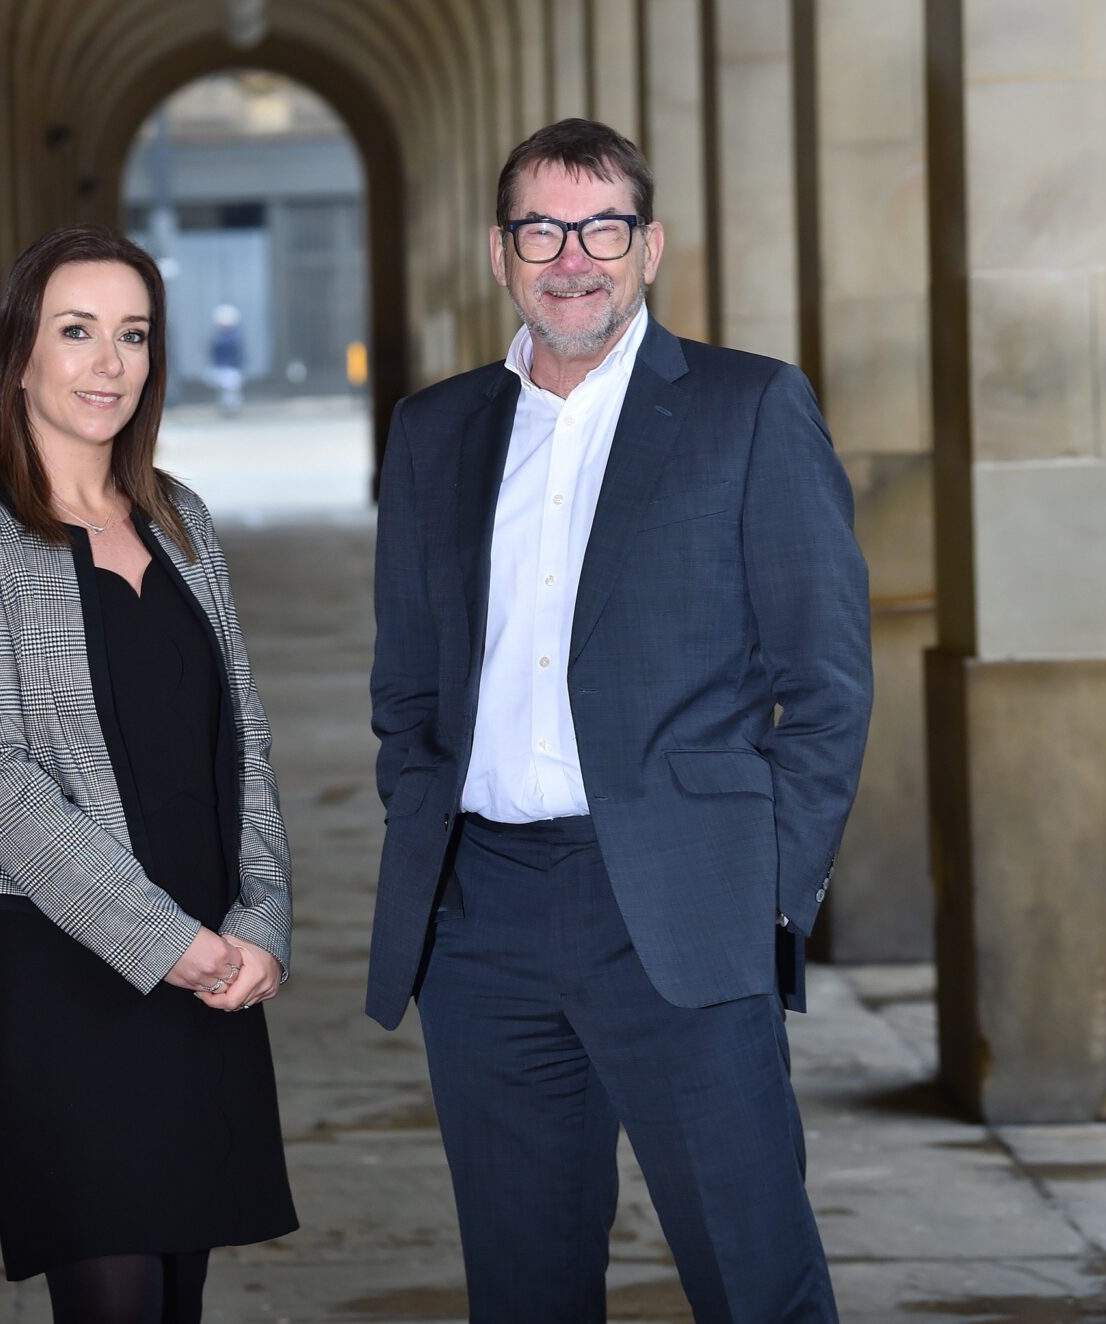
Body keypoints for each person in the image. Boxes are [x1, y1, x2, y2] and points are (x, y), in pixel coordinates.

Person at [366, 118, 871, 1321]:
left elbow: (827, 682)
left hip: (684, 914)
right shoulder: (435, 432)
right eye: (542, 229)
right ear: (500, 253)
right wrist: (431, 837)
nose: (572, 259)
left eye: (603, 228)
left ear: (651, 247)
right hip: (482, 921)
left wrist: (765, 892)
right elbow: (407, 687)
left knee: (756, 1280)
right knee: (524, 1289)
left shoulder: (749, 408)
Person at [0, 224, 298, 1324]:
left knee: (179, 1296)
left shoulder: (182, 521)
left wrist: (261, 917)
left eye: (134, 335)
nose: (108, 363)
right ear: (20, 352)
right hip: (66, 967)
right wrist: (163, 942)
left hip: (211, 962)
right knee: (113, 1296)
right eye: (76, 331)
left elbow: (244, 737)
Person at [207, 304, 246, 415]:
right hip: (220, 367)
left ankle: (232, 409)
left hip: (232, 368)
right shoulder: (217, 336)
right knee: (223, 391)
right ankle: (224, 408)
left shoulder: (234, 337)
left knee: (231, 391)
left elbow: (238, 355)